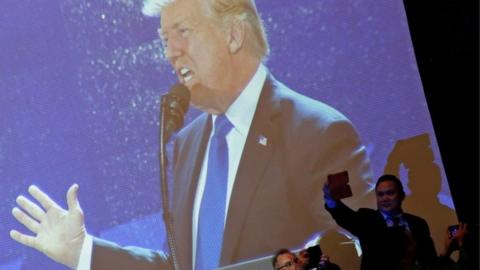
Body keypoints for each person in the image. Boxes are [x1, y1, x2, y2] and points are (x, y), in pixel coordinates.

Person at [10, 0, 372, 269]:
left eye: (182, 33)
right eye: (165, 39)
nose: (170, 52)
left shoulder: (318, 131)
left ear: (233, 35)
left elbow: (360, 246)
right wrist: (83, 251)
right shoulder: (187, 144)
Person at [323, 174, 437, 270]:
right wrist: (331, 200)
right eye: (380, 194)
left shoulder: (418, 223)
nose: (385, 198)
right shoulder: (368, 220)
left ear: (402, 195)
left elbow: (430, 259)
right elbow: (346, 217)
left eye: (390, 193)